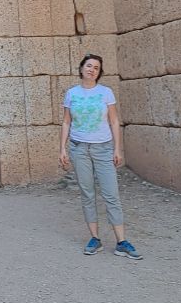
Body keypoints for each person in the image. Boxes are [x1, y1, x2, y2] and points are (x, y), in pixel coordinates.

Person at [59, 53, 142, 259]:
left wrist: (117, 149)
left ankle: (121, 241)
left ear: (99, 72)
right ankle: (95, 238)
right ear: (81, 69)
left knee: (111, 194)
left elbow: (114, 122)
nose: (92, 70)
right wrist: (62, 148)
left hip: (103, 149)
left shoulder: (106, 93)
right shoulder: (71, 94)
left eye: (96, 67)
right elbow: (67, 122)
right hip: (79, 148)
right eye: (89, 66)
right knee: (87, 194)